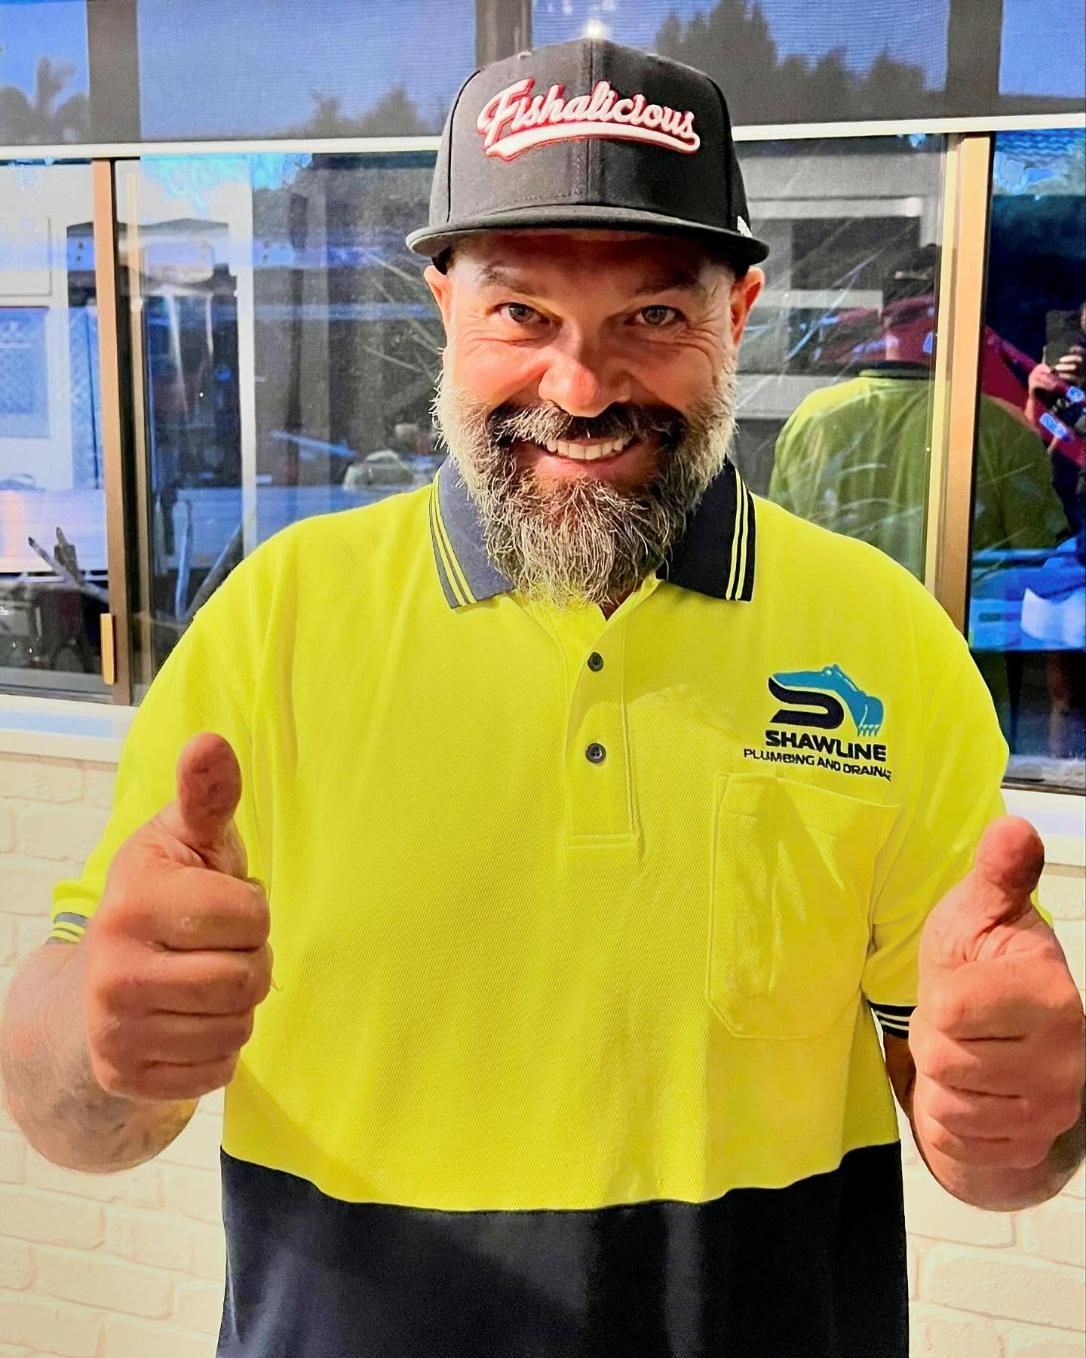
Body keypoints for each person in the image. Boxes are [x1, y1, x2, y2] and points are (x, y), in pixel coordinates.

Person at [2, 40, 1083, 1358]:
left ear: (737, 312)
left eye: (649, 316)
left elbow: (995, 1155)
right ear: (442, 304)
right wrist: (105, 1039)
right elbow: (66, 1105)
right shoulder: (276, 623)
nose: (581, 390)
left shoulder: (885, 645)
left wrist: (1019, 1112)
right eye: (521, 313)